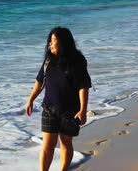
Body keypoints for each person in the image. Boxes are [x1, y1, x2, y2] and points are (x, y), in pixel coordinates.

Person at [25, 26, 92, 171]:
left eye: (54, 40)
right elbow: (39, 81)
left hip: (70, 111)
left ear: (63, 42)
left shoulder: (77, 61)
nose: (50, 43)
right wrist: (30, 99)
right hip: (49, 109)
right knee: (47, 145)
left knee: (66, 143)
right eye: (50, 40)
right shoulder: (48, 60)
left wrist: (83, 110)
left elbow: (83, 86)